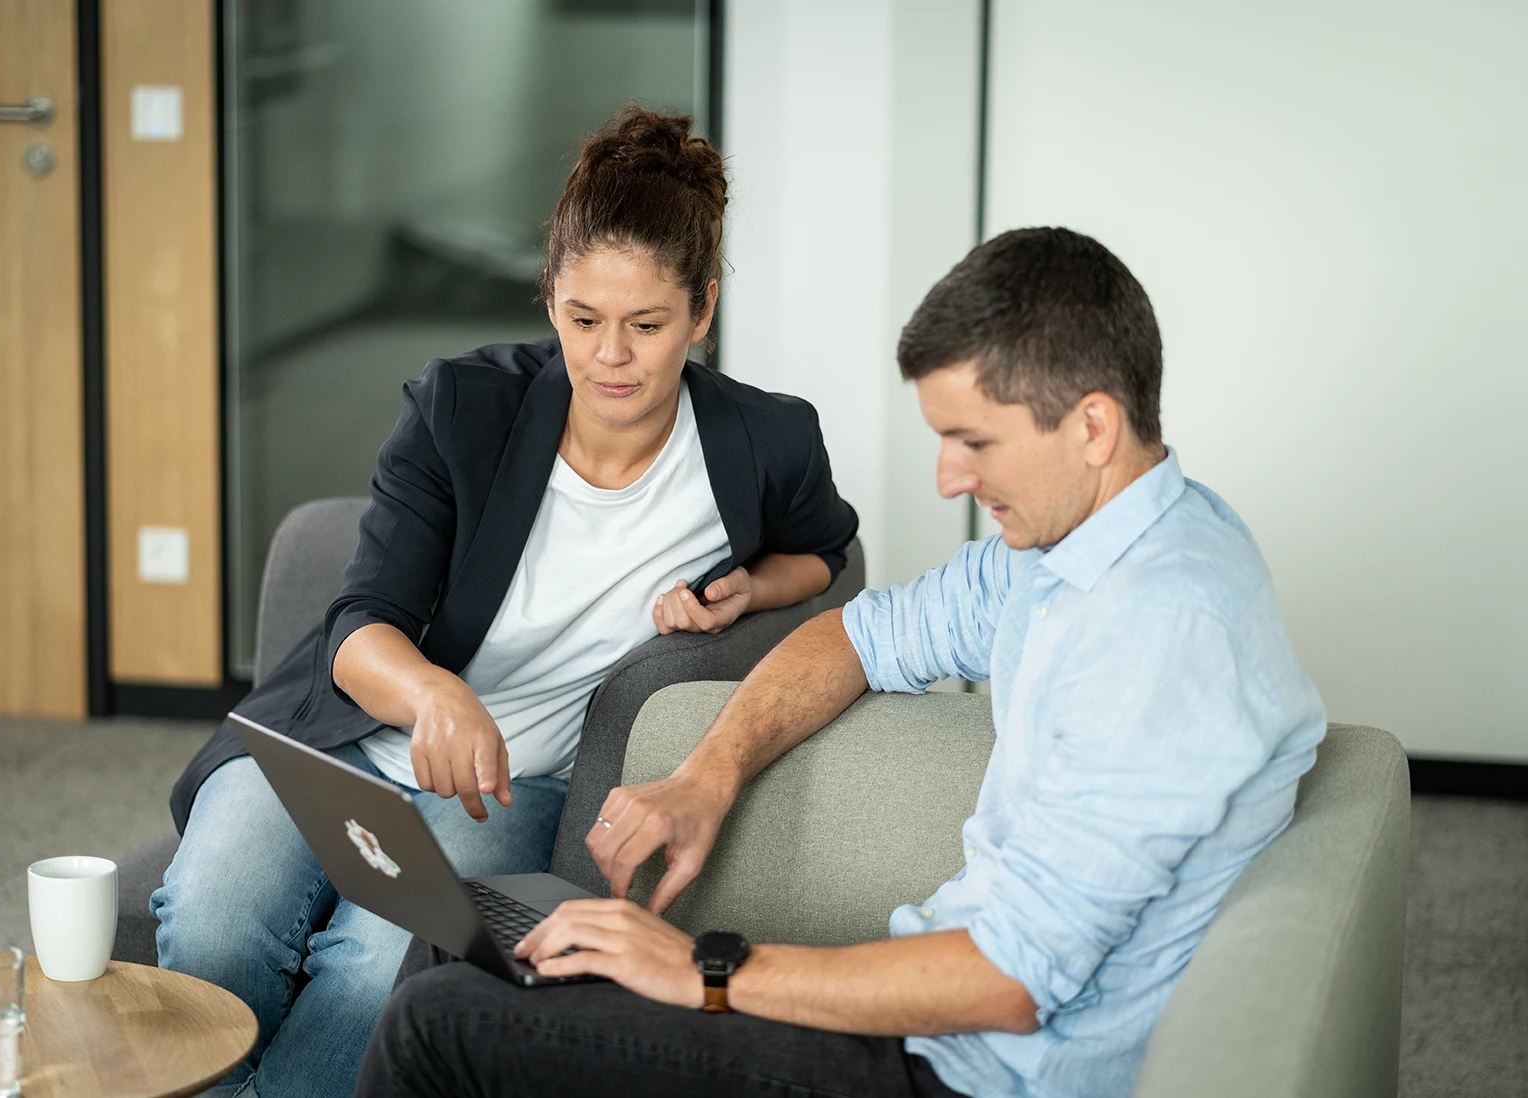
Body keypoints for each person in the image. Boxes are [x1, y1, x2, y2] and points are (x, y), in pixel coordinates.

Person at [354, 227, 1329, 1098]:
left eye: (971, 441)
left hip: (963, 1069)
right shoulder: (1067, 547)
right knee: (468, 932)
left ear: (1091, 426)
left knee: (441, 1023)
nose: (949, 477)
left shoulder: (1163, 633)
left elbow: (1008, 986)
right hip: (929, 1020)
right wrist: (706, 776)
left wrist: (703, 970)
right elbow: (856, 635)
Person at [152, 105, 859, 1098]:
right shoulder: (461, 407)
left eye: (647, 325)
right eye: (582, 320)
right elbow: (360, 628)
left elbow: (829, 551)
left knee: (374, 981)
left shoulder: (763, 444)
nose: (610, 357)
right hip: (337, 738)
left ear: (701, 311)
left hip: (510, 783)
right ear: (549, 299)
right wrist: (434, 694)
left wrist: (758, 584)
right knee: (210, 924)